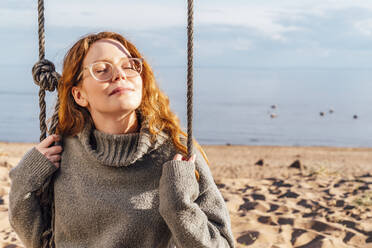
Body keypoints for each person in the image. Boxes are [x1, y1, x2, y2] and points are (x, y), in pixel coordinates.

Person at [8, 31, 235, 248]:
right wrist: (24, 177)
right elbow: (40, 240)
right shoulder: (63, 151)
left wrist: (179, 207)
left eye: (129, 66)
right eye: (102, 69)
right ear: (79, 95)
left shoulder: (175, 151)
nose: (120, 74)